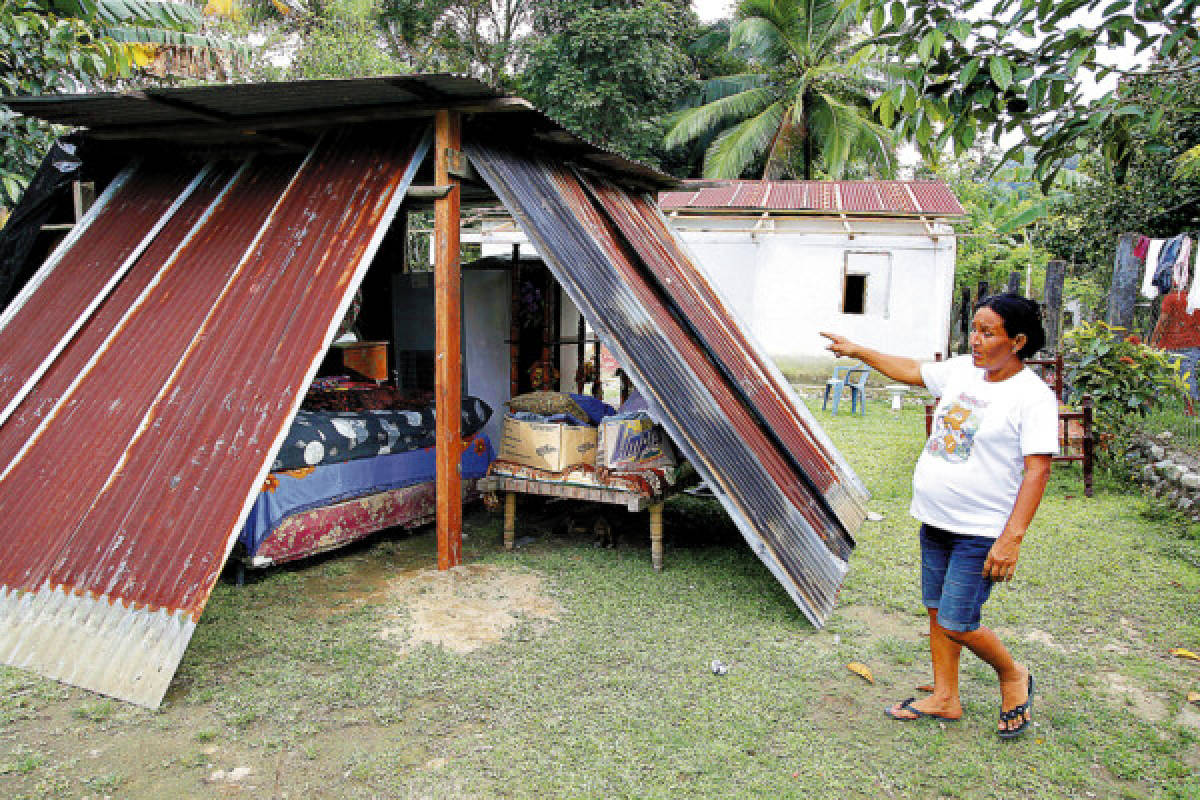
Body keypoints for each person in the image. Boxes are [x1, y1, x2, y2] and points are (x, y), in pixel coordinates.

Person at [821, 292, 1058, 739]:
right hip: (937, 521)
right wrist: (860, 351)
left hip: (981, 530)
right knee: (936, 610)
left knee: (957, 620)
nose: (977, 340)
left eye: (989, 333)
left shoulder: (1033, 397)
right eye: (975, 330)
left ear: (1019, 340)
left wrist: (1012, 538)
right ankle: (946, 697)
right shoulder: (963, 371)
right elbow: (912, 370)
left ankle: (1012, 674)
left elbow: (1037, 470)